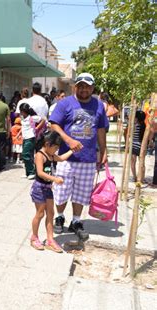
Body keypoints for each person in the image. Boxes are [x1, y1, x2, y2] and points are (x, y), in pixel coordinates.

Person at [50, 73, 108, 241]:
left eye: (87, 86)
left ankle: (76, 222)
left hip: (88, 159)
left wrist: (103, 151)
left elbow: (101, 130)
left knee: (81, 193)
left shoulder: (98, 105)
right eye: (80, 86)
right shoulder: (65, 103)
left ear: (93, 88)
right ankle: (59, 217)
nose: (84, 89)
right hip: (66, 159)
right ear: (75, 87)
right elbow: (53, 124)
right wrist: (67, 140)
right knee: (61, 191)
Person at [30, 132, 75, 253]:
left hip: (48, 188)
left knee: (50, 213)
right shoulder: (40, 155)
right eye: (55, 148)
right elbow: (40, 173)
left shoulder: (52, 155)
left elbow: (62, 158)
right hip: (39, 188)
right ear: (47, 144)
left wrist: (73, 150)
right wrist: (55, 179)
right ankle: (34, 237)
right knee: (40, 214)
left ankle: (50, 239)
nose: (56, 150)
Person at [19, 103, 44, 180]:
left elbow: (43, 120)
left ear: (24, 111)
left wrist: (37, 128)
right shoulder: (22, 118)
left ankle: (32, 172)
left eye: (21, 111)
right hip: (25, 138)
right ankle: (28, 173)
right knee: (27, 155)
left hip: (30, 138)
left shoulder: (32, 118)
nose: (20, 112)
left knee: (25, 154)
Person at [131, 111, 147, 182]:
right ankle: (142, 178)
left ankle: (135, 177)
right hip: (142, 146)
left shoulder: (134, 126)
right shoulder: (145, 126)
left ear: (136, 118)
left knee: (133, 162)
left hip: (134, 146)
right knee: (142, 163)